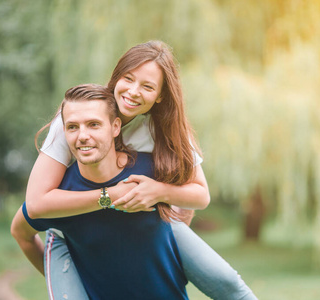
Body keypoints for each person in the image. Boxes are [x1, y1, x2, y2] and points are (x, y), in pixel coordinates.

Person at [19, 40, 257, 300]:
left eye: (147, 86)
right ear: (116, 76)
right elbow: (35, 203)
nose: (133, 91)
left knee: (227, 282)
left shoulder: (166, 129)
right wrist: (110, 196)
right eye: (128, 78)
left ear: (160, 95)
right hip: (73, 227)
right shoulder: (81, 118)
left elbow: (200, 195)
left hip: (150, 215)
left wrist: (159, 191)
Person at [12, 84, 189, 299]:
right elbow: (20, 231)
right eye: (72, 127)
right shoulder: (61, 194)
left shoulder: (148, 169)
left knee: (227, 282)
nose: (82, 136)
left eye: (93, 124)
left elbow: (188, 193)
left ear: (115, 127)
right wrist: (65, 279)